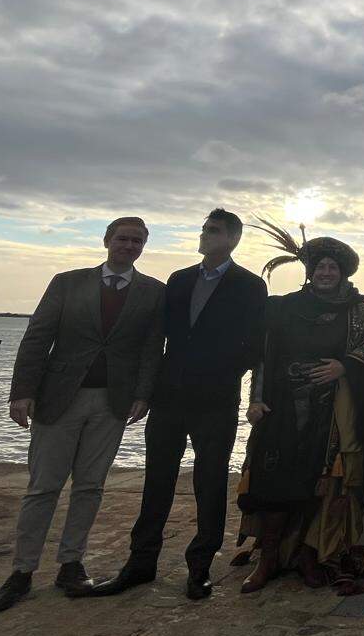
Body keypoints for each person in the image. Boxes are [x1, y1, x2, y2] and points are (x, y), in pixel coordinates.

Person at [0, 218, 165, 614]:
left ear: (143, 247)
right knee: (43, 487)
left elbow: (153, 348)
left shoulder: (153, 292)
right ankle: (22, 572)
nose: (129, 246)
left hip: (113, 403)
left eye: (137, 241)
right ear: (107, 240)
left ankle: (71, 564)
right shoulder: (67, 283)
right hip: (59, 398)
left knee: (90, 486)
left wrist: (143, 395)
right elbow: (38, 337)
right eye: (122, 238)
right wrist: (22, 392)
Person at [85, 210, 267, 601]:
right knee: (157, 481)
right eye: (203, 229)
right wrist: (145, 389)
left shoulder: (250, 285)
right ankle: (140, 563)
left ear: (232, 239)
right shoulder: (180, 279)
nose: (204, 235)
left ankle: (200, 568)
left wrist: (222, 373)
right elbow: (158, 337)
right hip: (169, 396)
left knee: (211, 483)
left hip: (216, 399)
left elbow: (255, 345)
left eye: (212, 231)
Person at [234, 232, 364, 594]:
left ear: (342, 273)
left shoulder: (360, 312)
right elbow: (263, 356)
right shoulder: (282, 307)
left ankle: (309, 554)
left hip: (332, 412)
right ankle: (269, 557)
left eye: (332, 267)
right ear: (310, 270)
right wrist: (255, 399)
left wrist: (345, 366)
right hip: (282, 406)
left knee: (319, 484)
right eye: (320, 266)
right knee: (272, 481)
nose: (325, 272)